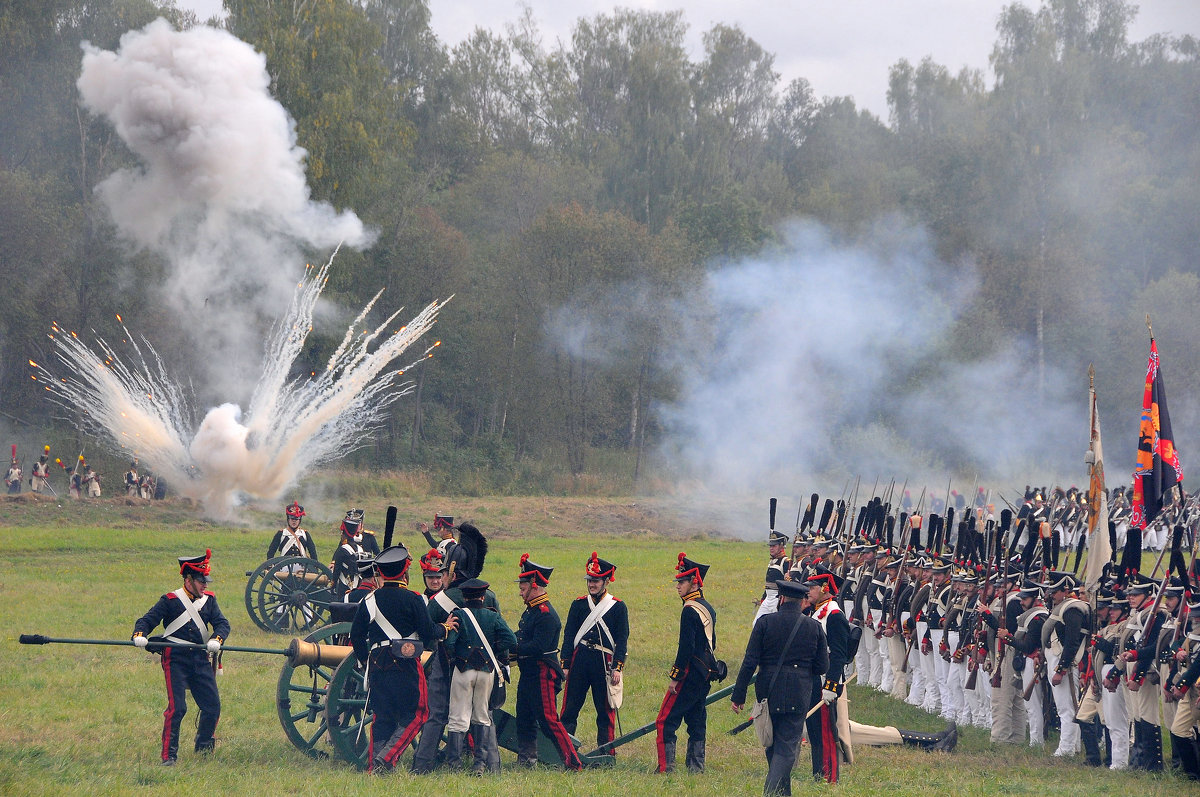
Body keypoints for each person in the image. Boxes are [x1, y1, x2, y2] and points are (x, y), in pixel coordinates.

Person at [350, 545, 457, 773]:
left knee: (383, 716)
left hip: (377, 663)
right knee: (419, 713)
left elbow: (356, 635)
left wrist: (364, 661)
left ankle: (375, 766)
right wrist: (445, 628)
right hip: (406, 662)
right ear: (404, 573)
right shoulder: (414, 599)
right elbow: (428, 633)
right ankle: (386, 758)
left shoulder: (369, 600)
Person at [131, 549, 230, 766]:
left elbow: (223, 624)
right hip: (175, 658)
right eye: (201, 581)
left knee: (212, 706)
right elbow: (146, 621)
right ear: (188, 580)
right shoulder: (170, 600)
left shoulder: (210, 601)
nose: (205, 585)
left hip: (200, 658)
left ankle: (203, 747)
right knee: (178, 709)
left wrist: (217, 639)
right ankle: (169, 757)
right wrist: (140, 635)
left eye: (206, 581)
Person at [731, 578, 828, 797]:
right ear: (801, 601)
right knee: (785, 746)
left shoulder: (765, 623)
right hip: (798, 692)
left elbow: (749, 662)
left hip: (768, 689)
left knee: (774, 744)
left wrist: (738, 694)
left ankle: (772, 792)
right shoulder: (813, 626)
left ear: (782, 599)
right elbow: (823, 665)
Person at [513, 553, 583, 770]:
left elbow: (537, 647)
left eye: (523, 587)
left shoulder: (545, 614)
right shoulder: (532, 610)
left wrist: (511, 648)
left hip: (542, 672)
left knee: (549, 720)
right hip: (529, 673)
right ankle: (527, 760)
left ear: (535, 585)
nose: (520, 591)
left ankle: (572, 762)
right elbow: (522, 635)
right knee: (523, 716)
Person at [445, 577, 516, 774]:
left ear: (464, 598)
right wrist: (491, 650)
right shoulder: (492, 616)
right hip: (486, 672)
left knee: (458, 717)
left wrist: (457, 655)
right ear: (483, 597)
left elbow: (450, 644)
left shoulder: (458, 614)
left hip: (463, 670)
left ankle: (455, 765)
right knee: (482, 717)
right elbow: (510, 639)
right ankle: (480, 764)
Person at [560, 552, 629, 753]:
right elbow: (569, 635)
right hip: (579, 659)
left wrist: (617, 667)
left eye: (596, 580)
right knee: (570, 708)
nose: (592, 584)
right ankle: (564, 750)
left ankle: (606, 752)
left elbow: (622, 640)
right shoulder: (579, 604)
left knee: (605, 711)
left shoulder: (618, 607)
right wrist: (565, 665)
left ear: (606, 581)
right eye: (590, 580)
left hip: (604, 661)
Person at [656, 552, 717, 774]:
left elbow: (686, 648)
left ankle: (666, 768)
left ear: (694, 582)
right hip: (704, 673)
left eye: (682, 581)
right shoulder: (707, 607)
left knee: (665, 721)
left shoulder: (690, 610)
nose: (678, 586)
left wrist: (675, 676)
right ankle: (696, 768)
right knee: (696, 720)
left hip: (690, 673)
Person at [411, 548, 458, 774]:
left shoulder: (448, 600)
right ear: (425, 578)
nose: (435, 581)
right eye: (431, 577)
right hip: (424, 660)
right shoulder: (419, 600)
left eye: (439, 576)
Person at [804, 570, 850, 783]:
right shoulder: (816, 611)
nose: (809, 591)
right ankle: (818, 773)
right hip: (814, 678)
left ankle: (828, 776)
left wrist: (830, 686)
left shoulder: (834, 615)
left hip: (825, 681)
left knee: (825, 733)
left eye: (812, 587)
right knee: (814, 732)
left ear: (824, 589)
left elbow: (839, 655)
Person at [331, 510, 372, 601]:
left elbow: (337, 570)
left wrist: (332, 585)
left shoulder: (343, 549)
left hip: (344, 585)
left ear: (344, 533)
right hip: (358, 584)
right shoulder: (360, 548)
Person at [753, 530, 791, 626]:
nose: (771, 548)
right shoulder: (772, 561)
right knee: (756, 624)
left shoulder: (786, 562)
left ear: (781, 546)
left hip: (777, 599)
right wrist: (763, 598)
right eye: (770, 546)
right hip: (768, 598)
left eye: (774, 546)